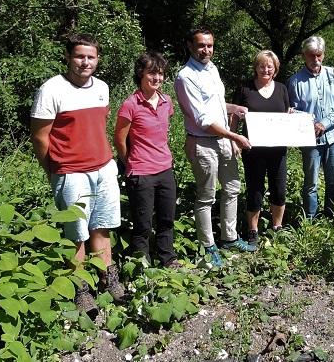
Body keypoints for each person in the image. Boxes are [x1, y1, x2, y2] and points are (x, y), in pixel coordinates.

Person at [30, 34, 125, 315]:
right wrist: (53, 169)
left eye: (91, 57)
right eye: (80, 56)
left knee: (101, 226)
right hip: (71, 172)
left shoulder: (102, 88)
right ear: (69, 58)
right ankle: (80, 289)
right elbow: (39, 136)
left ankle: (108, 280)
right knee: (76, 235)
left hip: (104, 166)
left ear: (97, 59)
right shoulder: (51, 89)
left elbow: (96, 127)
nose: (85, 62)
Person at [174, 28, 256, 266]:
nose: (206, 50)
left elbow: (217, 106)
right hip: (204, 142)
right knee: (206, 196)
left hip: (223, 140)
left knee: (232, 188)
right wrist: (236, 137)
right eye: (201, 45)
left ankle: (229, 238)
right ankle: (208, 245)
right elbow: (203, 120)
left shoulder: (212, 69)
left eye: (209, 45)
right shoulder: (186, 76)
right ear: (190, 45)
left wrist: (235, 109)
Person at [114, 52, 181, 269]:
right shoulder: (130, 104)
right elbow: (119, 139)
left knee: (166, 219)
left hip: (165, 169)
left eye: (160, 74)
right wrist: (130, 161)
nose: (157, 78)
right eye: (152, 73)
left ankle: (167, 258)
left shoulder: (166, 101)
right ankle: (140, 266)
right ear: (141, 74)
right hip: (141, 173)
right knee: (142, 224)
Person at [231, 50, 291, 247]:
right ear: (255, 67)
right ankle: (253, 231)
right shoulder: (246, 89)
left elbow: (286, 115)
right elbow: (234, 116)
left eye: (269, 66)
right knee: (255, 190)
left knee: (279, 189)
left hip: (278, 150)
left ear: (275, 69)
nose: (265, 69)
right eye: (261, 66)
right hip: (253, 150)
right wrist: (234, 139)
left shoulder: (282, 89)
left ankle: (277, 228)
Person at [288, 36, 334, 219]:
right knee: (311, 183)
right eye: (311, 55)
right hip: (310, 139)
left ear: (324, 54)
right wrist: (297, 117)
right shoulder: (295, 81)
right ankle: (310, 221)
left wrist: (325, 123)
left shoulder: (333, 74)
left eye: (319, 55)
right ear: (304, 56)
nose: (315, 59)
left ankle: (331, 217)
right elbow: (293, 110)